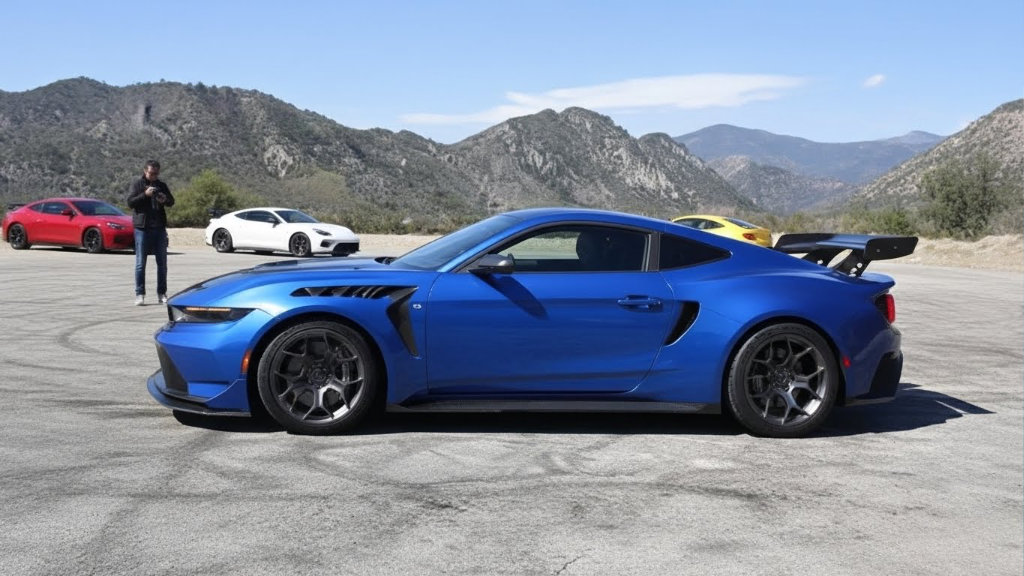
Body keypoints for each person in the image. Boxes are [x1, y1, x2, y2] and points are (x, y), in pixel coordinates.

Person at [126, 160, 175, 305]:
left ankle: (162, 293)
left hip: (159, 229)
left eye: (156, 173)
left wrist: (164, 199)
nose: (153, 176)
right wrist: (145, 195)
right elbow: (130, 203)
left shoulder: (161, 186)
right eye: (151, 173)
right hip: (142, 229)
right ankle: (140, 294)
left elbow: (172, 202)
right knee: (141, 263)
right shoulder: (137, 185)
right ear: (145, 171)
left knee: (162, 263)